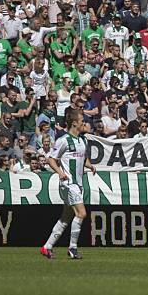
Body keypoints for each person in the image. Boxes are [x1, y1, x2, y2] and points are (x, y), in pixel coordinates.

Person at [40, 109, 96, 260]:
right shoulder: (63, 140)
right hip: (68, 183)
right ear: (74, 123)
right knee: (82, 213)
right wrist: (60, 172)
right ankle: (73, 248)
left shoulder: (83, 140)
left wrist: (90, 166)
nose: (84, 122)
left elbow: (83, 158)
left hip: (78, 183)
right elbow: (51, 159)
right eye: (82, 120)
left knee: (66, 218)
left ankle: (47, 247)